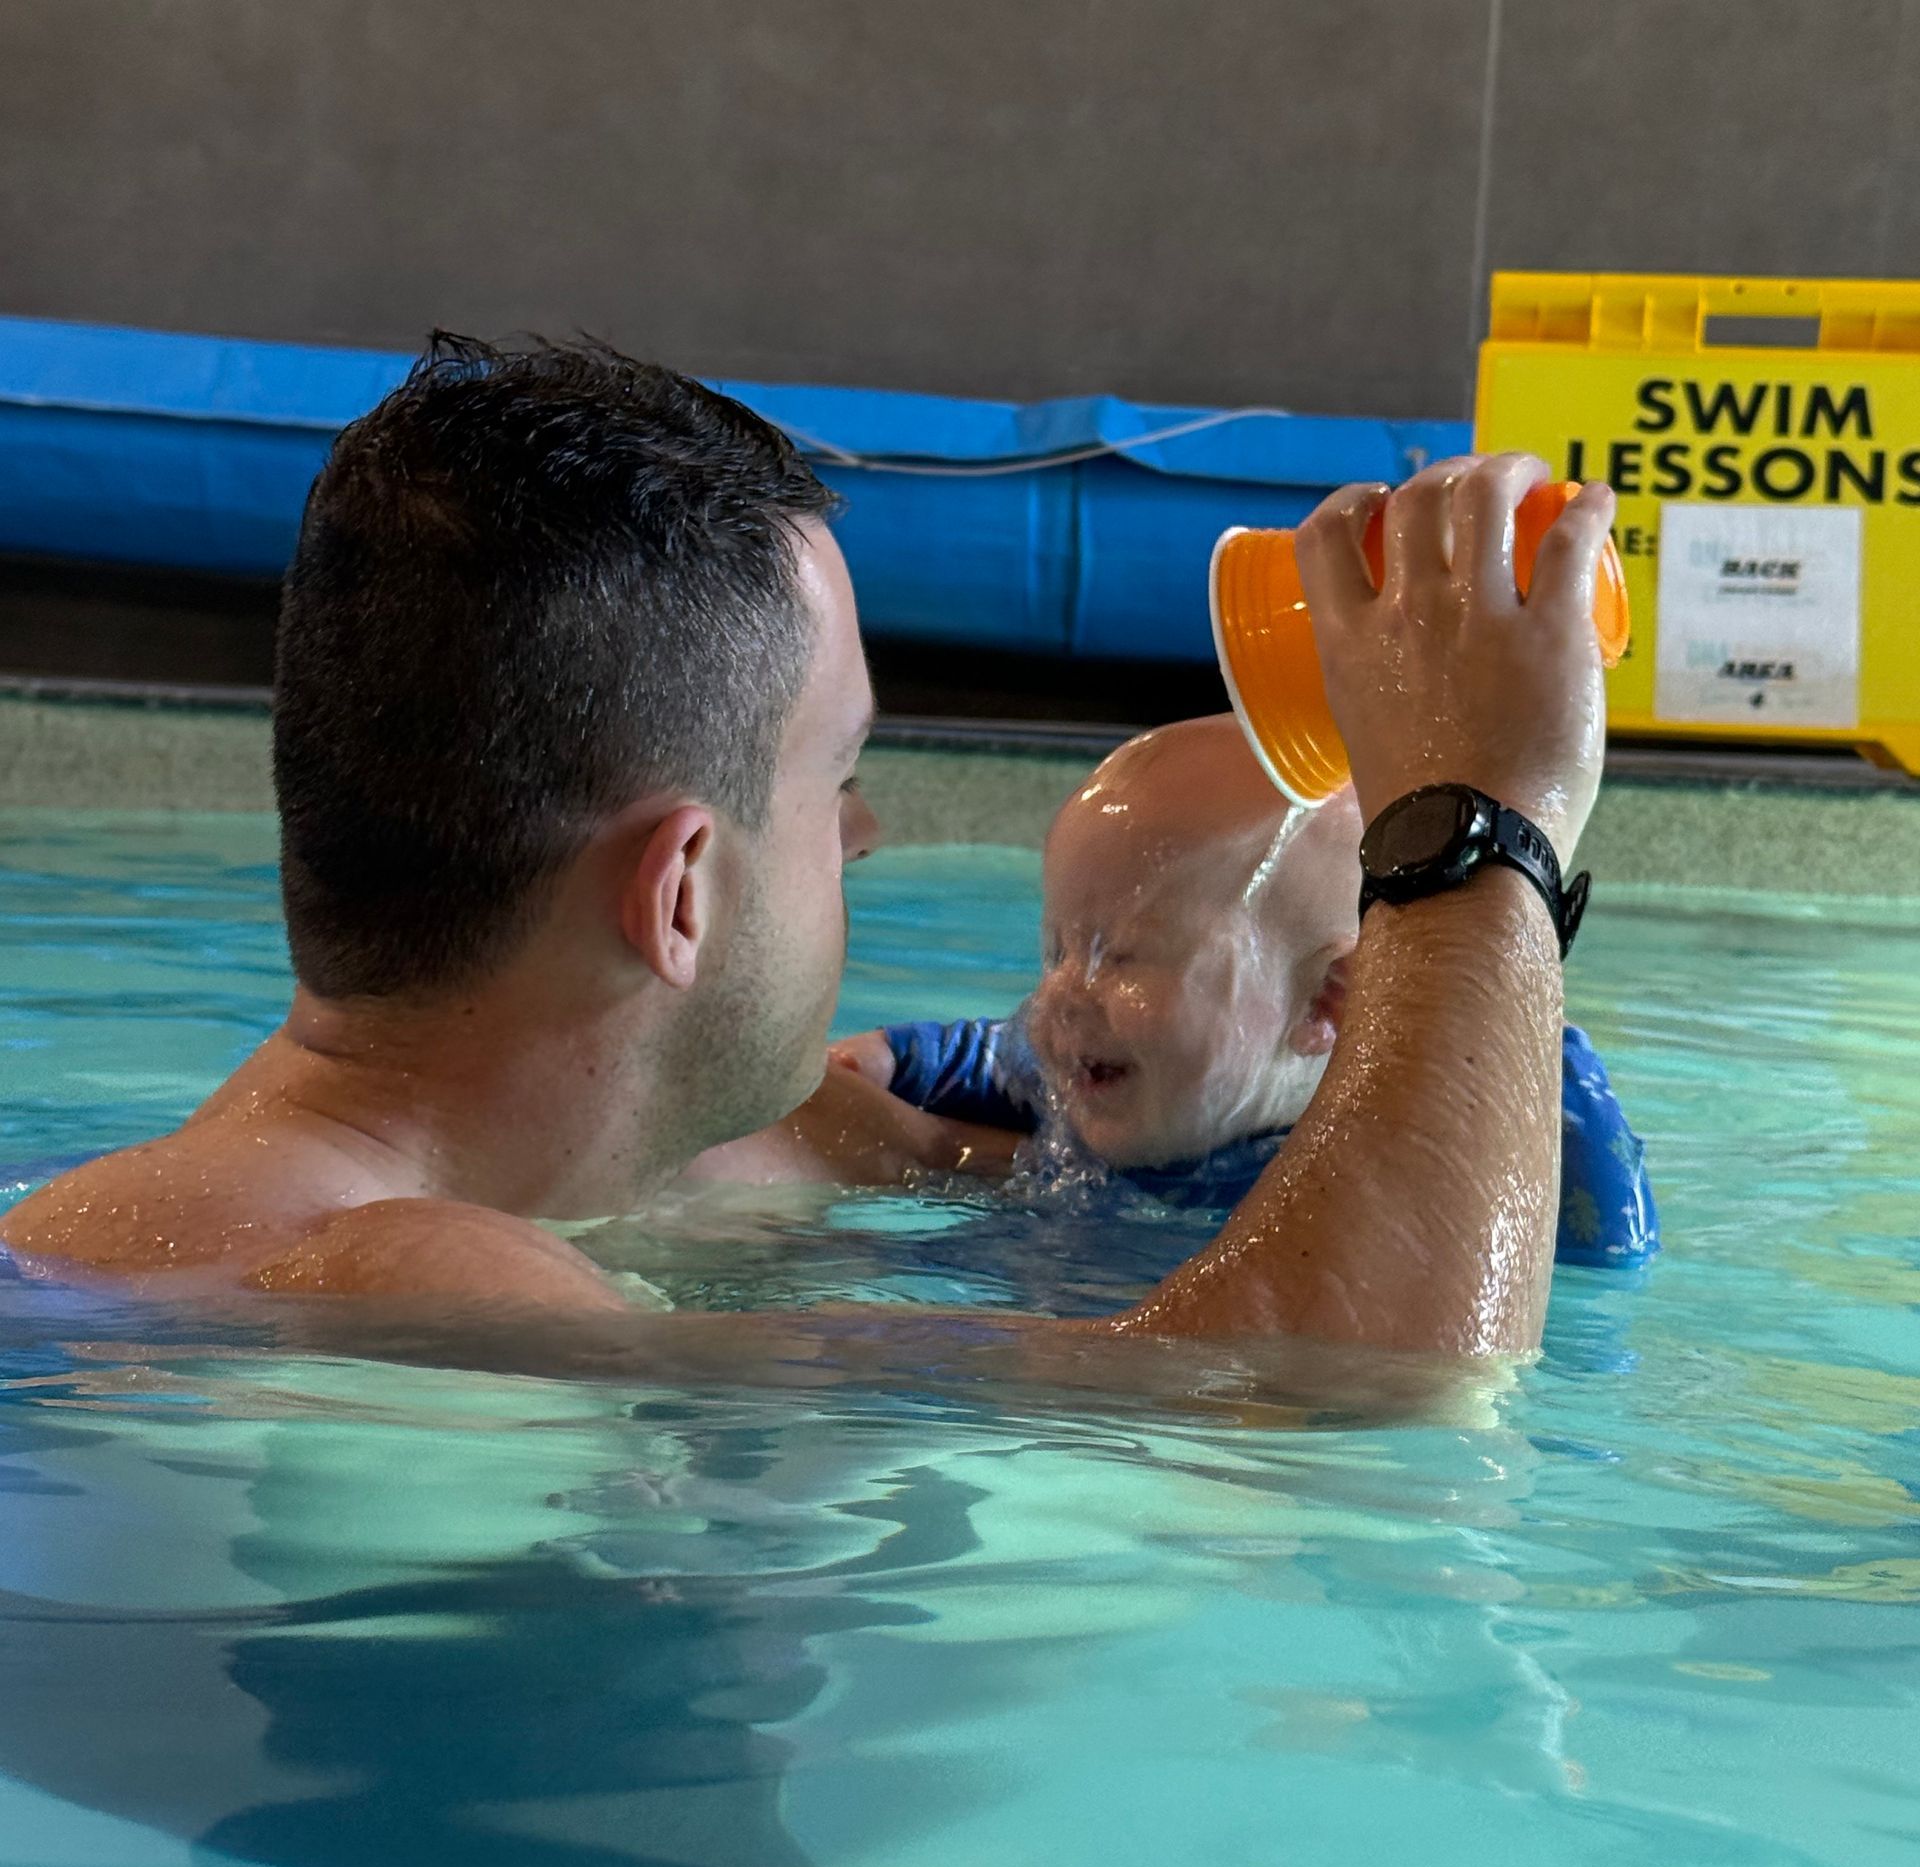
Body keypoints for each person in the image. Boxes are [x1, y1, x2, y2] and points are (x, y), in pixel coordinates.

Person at [0, 335, 1615, 1365]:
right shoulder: (394, 1286)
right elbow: (1341, 1399)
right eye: (834, 777)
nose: (863, 834)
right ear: (682, 890)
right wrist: (1480, 827)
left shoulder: (241, 1212)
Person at [820, 713, 1657, 1267]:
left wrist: (1513, 1054)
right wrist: (876, 1062)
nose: (1064, 999)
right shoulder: (1081, 1063)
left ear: (1330, 1002)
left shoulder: (1397, 1138)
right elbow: (967, 1055)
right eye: (1057, 951)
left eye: (1122, 959)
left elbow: (1604, 1252)